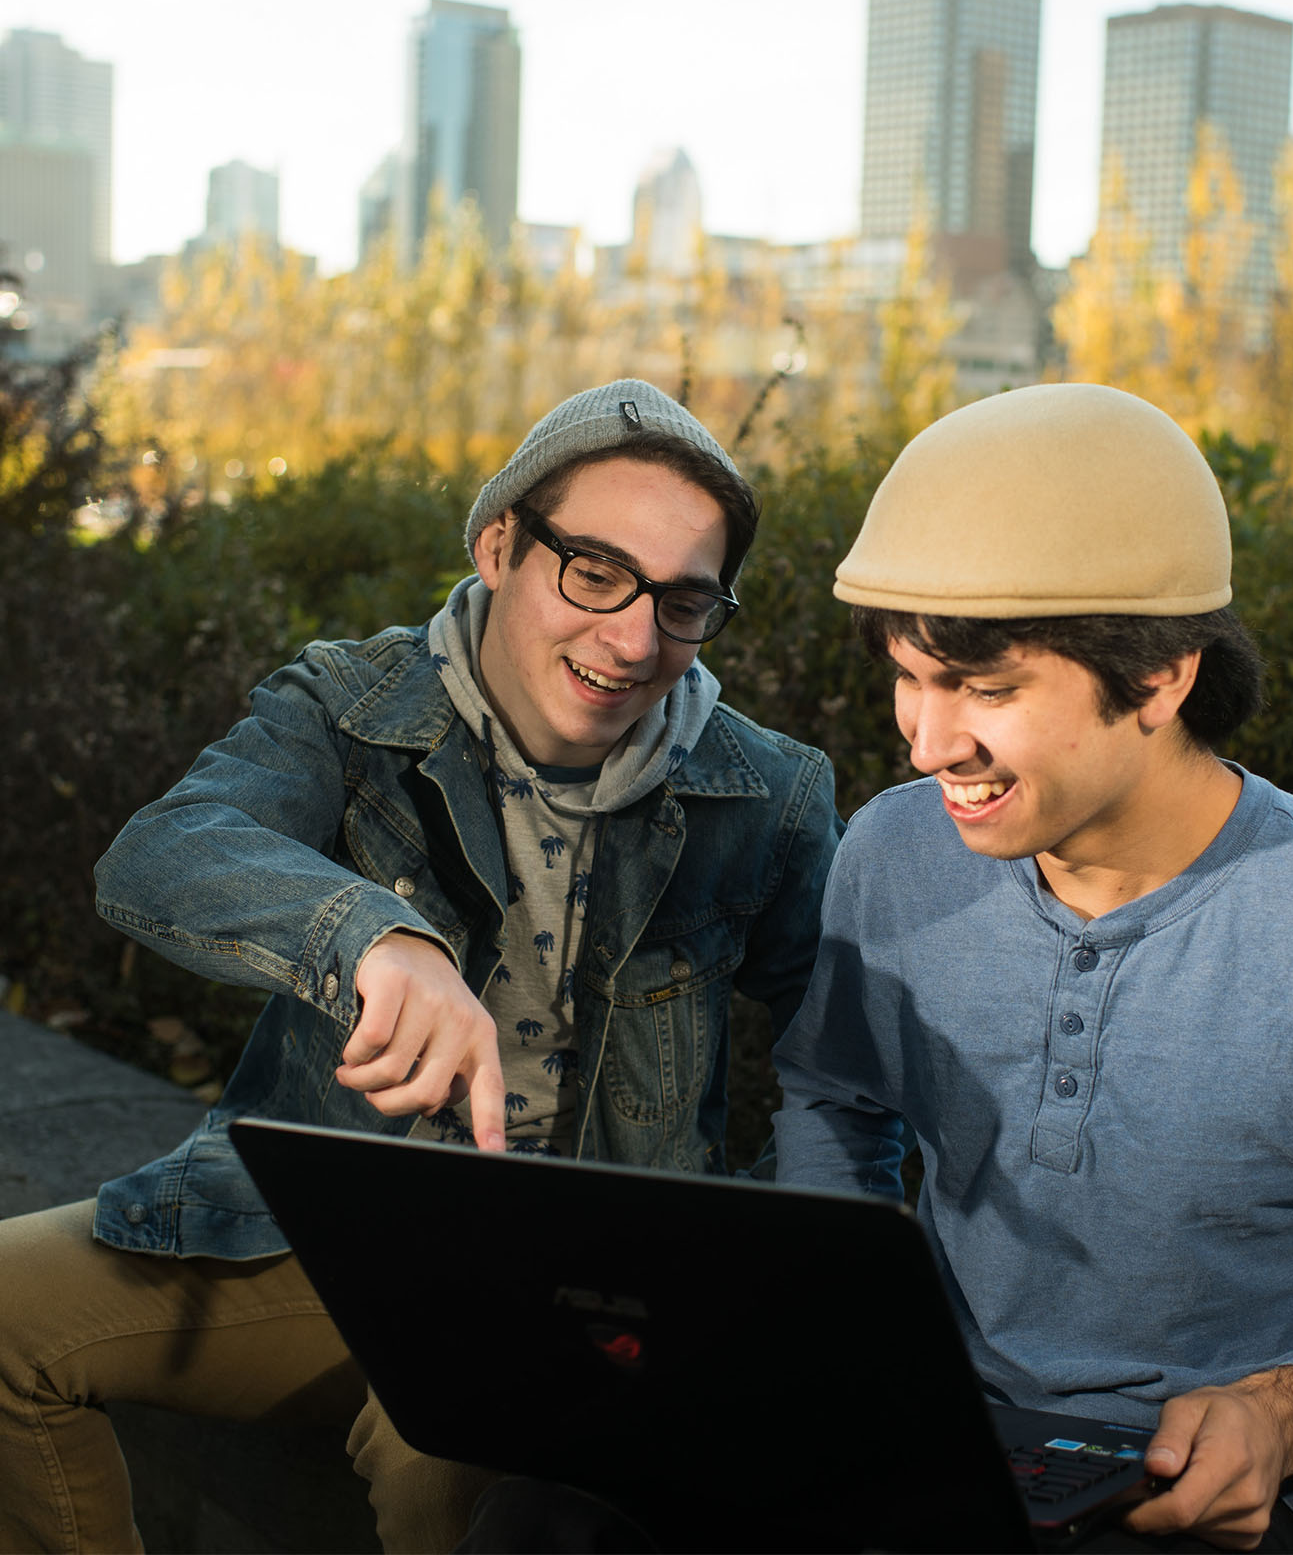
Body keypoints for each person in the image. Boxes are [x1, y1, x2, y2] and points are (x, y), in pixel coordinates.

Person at [0, 379, 841, 1553]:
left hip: (580, 1289)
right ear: (500, 544)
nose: (633, 637)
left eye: (683, 602)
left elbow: (849, 1079)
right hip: (328, 1238)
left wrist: (738, 1267)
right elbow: (162, 853)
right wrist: (371, 935)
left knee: (444, 1443)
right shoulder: (352, 706)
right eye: (594, 573)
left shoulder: (769, 793)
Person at [772, 383, 1293, 1554]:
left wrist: (1287, 1416)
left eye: (986, 691)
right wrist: (846, 1342)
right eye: (909, 677)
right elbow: (834, 1096)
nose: (928, 742)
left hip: (1212, 1500)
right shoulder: (894, 852)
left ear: (1159, 677)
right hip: (943, 1438)